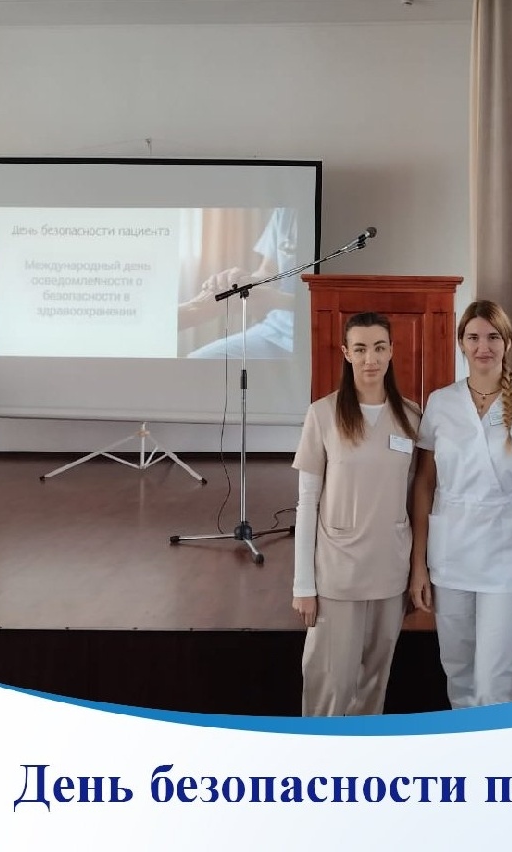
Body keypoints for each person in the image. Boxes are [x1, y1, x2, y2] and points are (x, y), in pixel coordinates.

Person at [409, 300, 512, 708]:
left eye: (493, 337)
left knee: (497, 680)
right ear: (461, 343)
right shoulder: (441, 402)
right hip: (451, 553)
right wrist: (418, 564)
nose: (483, 347)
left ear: (507, 342)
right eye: (474, 337)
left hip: (509, 557)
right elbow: (424, 484)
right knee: (458, 671)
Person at [291, 311, 420, 716]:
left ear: (392, 351)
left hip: (390, 570)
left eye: (379, 348)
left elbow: (415, 498)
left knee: (374, 684)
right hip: (338, 574)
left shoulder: (411, 417)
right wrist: (303, 585)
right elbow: (307, 503)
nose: (371, 359)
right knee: (331, 683)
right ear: (346, 353)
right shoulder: (323, 415)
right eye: (360, 349)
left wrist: (417, 572)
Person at [179, 207, 298, 358]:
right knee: (195, 361)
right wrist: (246, 282)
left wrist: (275, 299)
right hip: (276, 329)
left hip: (318, 336)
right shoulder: (285, 211)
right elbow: (268, 271)